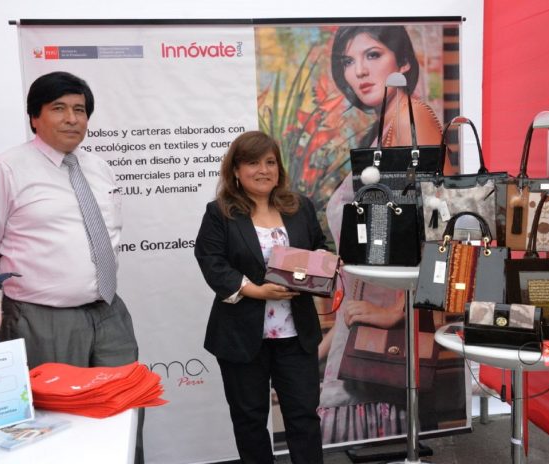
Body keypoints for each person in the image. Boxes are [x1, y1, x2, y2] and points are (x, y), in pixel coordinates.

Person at [0, 71, 143, 461]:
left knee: (124, 415)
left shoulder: (99, 168)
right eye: (58, 108)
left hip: (109, 314)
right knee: (58, 430)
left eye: (80, 109)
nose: (72, 118)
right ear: (34, 117)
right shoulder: (5, 170)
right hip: (42, 320)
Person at [318, 25, 465, 444]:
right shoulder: (385, 125)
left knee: (390, 441)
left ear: (402, 62)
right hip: (362, 325)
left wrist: (397, 311)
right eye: (349, 61)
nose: (359, 71)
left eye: (373, 55)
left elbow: (440, 222)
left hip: (388, 338)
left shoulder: (410, 118)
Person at [195, 131, 325, 464]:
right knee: (250, 420)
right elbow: (211, 261)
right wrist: (256, 290)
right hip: (241, 335)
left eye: (270, 162)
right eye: (253, 162)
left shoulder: (300, 207)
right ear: (236, 170)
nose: (263, 170)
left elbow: (320, 248)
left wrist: (319, 268)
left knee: (304, 417)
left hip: (296, 335)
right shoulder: (220, 212)